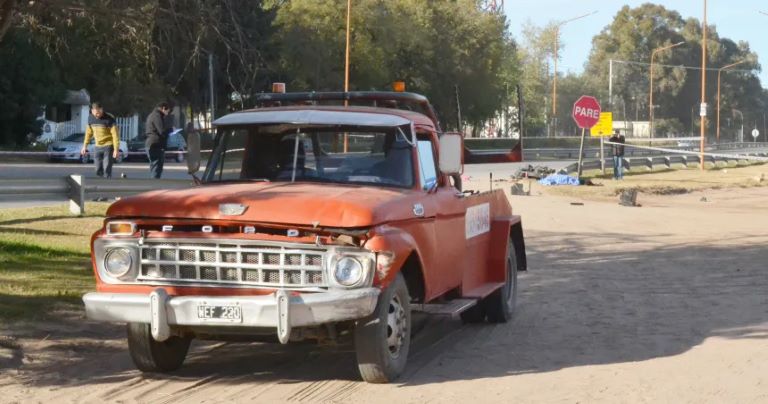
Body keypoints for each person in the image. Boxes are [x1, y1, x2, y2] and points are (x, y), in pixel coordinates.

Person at [81, 102, 120, 179]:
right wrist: (84, 146)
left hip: (108, 146)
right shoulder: (90, 118)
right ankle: (101, 183)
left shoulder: (109, 119)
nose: (97, 115)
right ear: (92, 111)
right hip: (97, 146)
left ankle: (107, 185)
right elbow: (88, 133)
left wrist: (116, 149)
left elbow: (115, 135)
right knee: (98, 169)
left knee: (106, 169)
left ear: (101, 110)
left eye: (98, 113)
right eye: (95, 113)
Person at [145, 102, 172, 178]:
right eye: (167, 111)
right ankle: (154, 186)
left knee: (154, 167)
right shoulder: (157, 116)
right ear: (163, 108)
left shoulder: (152, 115)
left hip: (152, 144)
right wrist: (171, 130)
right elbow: (162, 131)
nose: (167, 113)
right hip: (156, 145)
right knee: (156, 169)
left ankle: (154, 185)